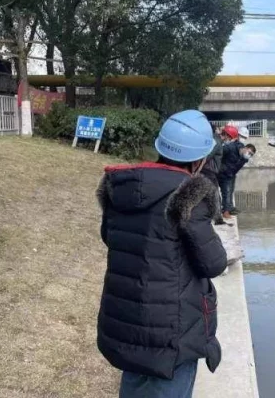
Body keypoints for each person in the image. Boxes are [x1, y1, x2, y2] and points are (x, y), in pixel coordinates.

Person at [95, 109, 228, 398]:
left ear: (160, 148)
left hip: (127, 322)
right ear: (199, 159)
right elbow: (214, 263)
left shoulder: (121, 188)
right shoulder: (187, 196)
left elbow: (110, 237)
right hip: (171, 330)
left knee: (134, 383)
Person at [218, 136, 257, 219]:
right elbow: (219, 154)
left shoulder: (245, 159)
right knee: (221, 192)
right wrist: (220, 167)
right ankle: (222, 211)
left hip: (230, 175)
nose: (249, 155)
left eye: (251, 155)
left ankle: (228, 210)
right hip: (220, 172)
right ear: (245, 148)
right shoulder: (231, 148)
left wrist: (231, 174)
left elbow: (236, 167)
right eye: (249, 152)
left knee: (229, 192)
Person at [201, 123, 225, 225]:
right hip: (209, 171)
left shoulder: (211, 140)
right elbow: (207, 156)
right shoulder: (215, 141)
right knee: (215, 195)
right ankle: (218, 218)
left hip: (206, 170)